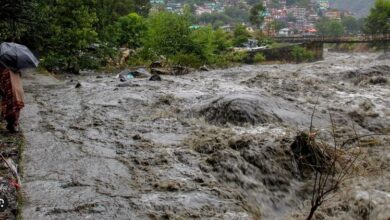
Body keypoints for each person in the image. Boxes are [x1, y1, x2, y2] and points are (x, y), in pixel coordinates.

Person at [0, 62, 25, 133]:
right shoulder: (15, 69)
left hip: (12, 91)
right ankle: (11, 124)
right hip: (13, 91)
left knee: (12, 108)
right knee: (13, 108)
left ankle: (12, 124)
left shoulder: (8, 70)